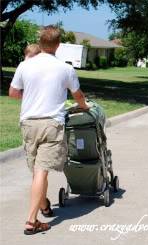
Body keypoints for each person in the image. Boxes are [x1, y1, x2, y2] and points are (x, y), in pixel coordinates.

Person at [9, 25, 89, 235]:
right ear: (58, 45)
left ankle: (44, 206)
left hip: (28, 123)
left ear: (41, 43)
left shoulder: (24, 66)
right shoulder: (65, 68)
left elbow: (13, 93)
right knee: (41, 172)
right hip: (52, 125)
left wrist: (31, 94)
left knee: (37, 172)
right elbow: (77, 95)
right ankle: (30, 221)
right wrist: (84, 106)